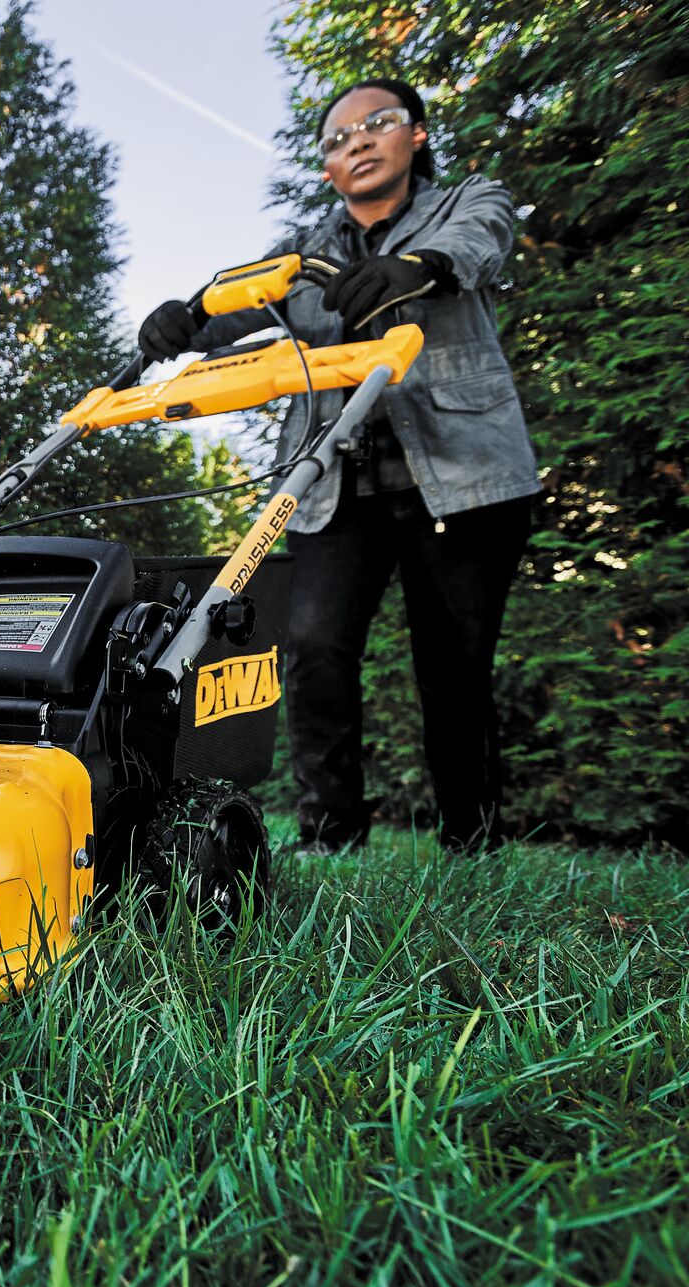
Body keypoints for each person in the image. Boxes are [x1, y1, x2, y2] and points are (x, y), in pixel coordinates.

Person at [137, 78, 539, 853]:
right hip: (335, 488)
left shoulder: (465, 201)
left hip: (461, 478)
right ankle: (330, 832)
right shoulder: (307, 256)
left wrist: (414, 267)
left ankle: (472, 836)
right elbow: (238, 302)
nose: (356, 140)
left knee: (452, 665)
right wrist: (185, 318)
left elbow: (482, 241)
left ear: (414, 136)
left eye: (377, 123)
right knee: (317, 650)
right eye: (337, 137)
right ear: (327, 169)